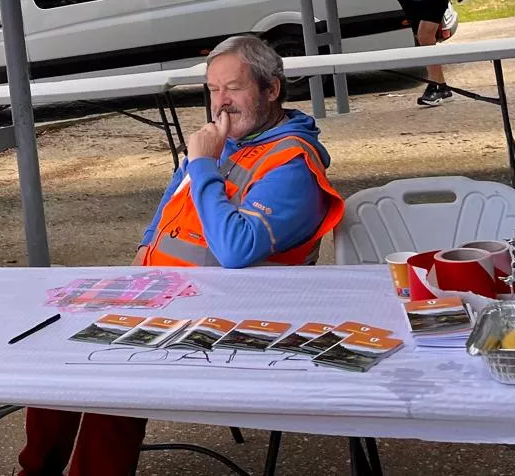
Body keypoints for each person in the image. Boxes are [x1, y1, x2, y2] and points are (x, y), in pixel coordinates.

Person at [18, 35, 343, 476]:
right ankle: (35, 470)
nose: (221, 102)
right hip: (169, 301)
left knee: (108, 373)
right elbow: (168, 209)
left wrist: (204, 165)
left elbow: (235, 249)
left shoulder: (291, 165)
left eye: (234, 88)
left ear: (271, 89)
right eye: (212, 90)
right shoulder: (221, 142)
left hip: (235, 319)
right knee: (58, 351)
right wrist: (138, 264)